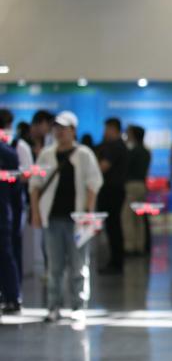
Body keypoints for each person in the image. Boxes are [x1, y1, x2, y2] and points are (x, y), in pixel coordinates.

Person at [29, 111, 103, 322]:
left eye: (64, 128)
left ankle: (78, 306)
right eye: (56, 128)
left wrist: (88, 213)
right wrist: (35, 213)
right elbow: (35, 185)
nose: (59, 132)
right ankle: (54, 306)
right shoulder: (46, 154)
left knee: (79, 264)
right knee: (54, 266)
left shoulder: (84, 154)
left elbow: (93, 184)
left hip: (77, 220)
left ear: (73, 130)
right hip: (52, 217)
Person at [1, 108, 33, 296]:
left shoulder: (14, 148)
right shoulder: (13, 149)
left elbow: (24, 176)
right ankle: (12, 293)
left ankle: (13, 292)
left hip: (9, 205)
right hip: (8, 205)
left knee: (10, 248)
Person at [96, 118, 129, 275]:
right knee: (114, 226)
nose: (104, 132)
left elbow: (104, 167)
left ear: (113, 129)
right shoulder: (120, 145)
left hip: (112, 191)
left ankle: (116, 262)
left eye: (106, 129)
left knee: (113, 227)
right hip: (116, 190)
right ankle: (116, 261)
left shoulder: (115, 146)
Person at [122, 125, 152, 257]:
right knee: (139, 218)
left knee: (127, 216)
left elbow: (126, 168)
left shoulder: (133, 151)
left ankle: (129, 246)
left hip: (132, 185)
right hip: (142, 185)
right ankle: (140, 245)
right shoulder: (146, 151)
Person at [0, 136, 20, 314]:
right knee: (6, 255)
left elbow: (15, 187)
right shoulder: (9, 153)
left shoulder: (7, 154)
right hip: (5, 211)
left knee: (6, 255)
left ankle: (12, 296)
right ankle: (12, 297)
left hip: (3, 212)